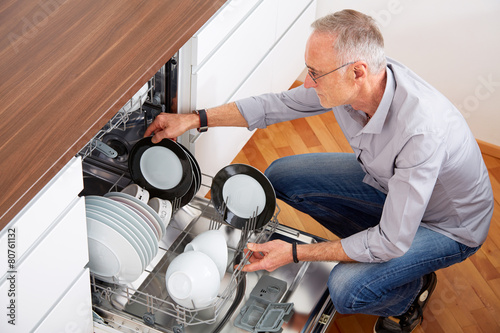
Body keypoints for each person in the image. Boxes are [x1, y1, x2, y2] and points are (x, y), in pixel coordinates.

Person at [144, 9, 494, 333]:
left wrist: (295, 253)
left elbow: (391, 240)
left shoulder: (420, 130)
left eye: (315, 73)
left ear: (358, 72)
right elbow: (276, 105)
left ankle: (410, 293)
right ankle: (385, 258)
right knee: (282, 175)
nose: (308, 84)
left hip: (449, 226)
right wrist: (194, 119)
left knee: (345, 289)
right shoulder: (357, 83)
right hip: (392, 187)